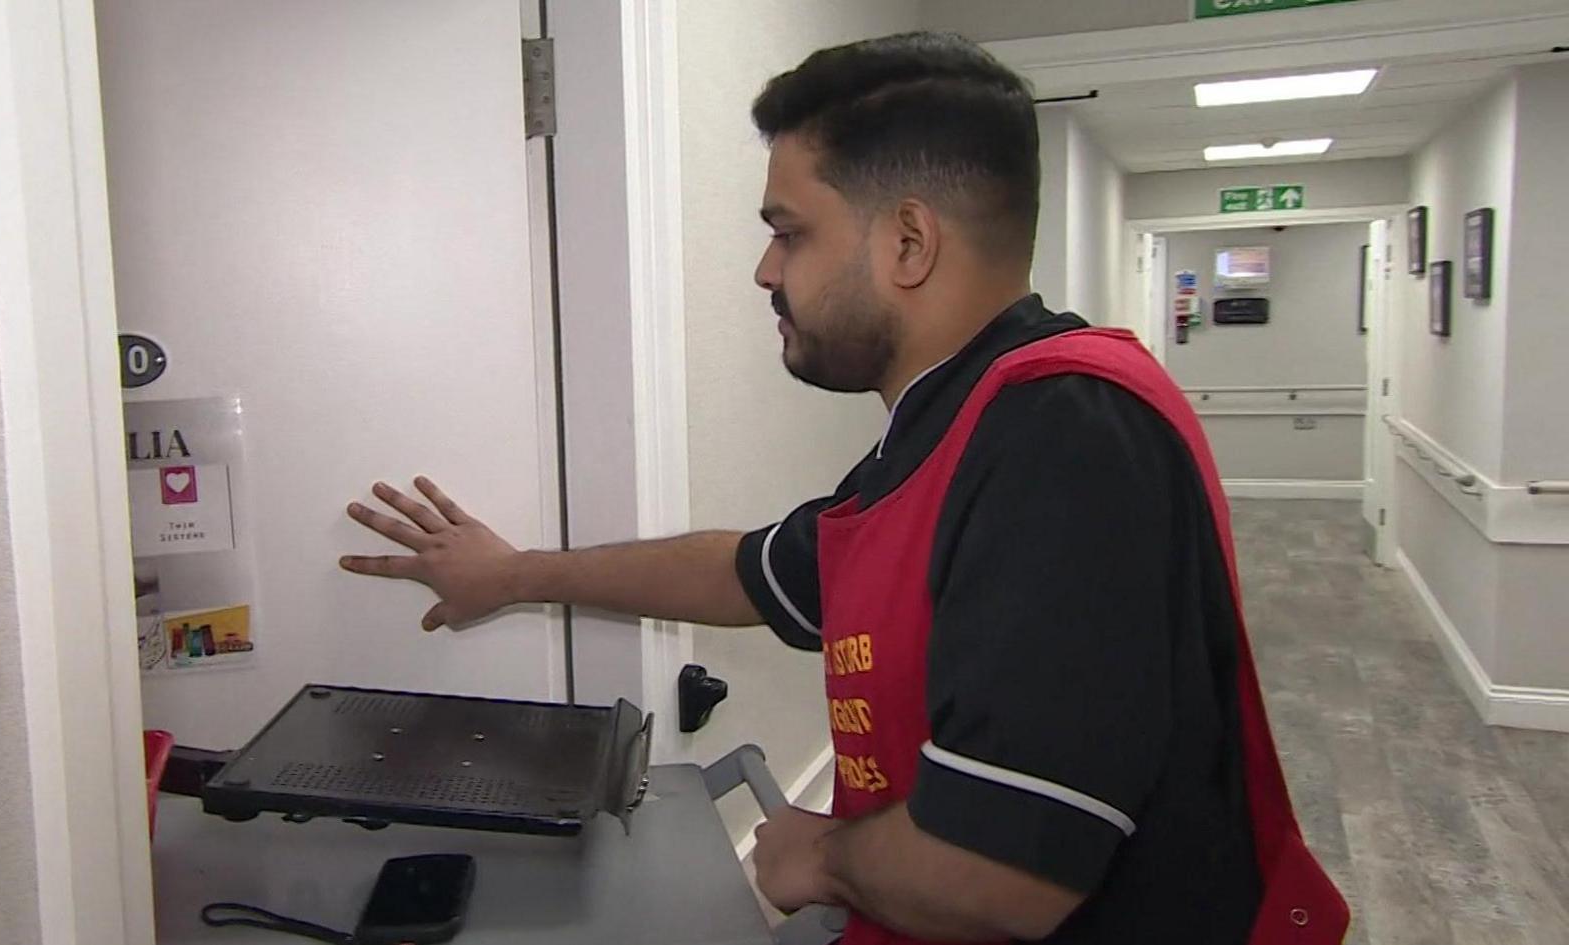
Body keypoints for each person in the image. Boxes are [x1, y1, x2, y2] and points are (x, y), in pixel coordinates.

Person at [340, 31, 1346, 945]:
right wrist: (514, 574)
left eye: (790, 230)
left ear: (908, 242)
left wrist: (813, 856)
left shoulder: (1067, 440)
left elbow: (1000, 877)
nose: (764, 269)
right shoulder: (954, 429)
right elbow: (747, 573)